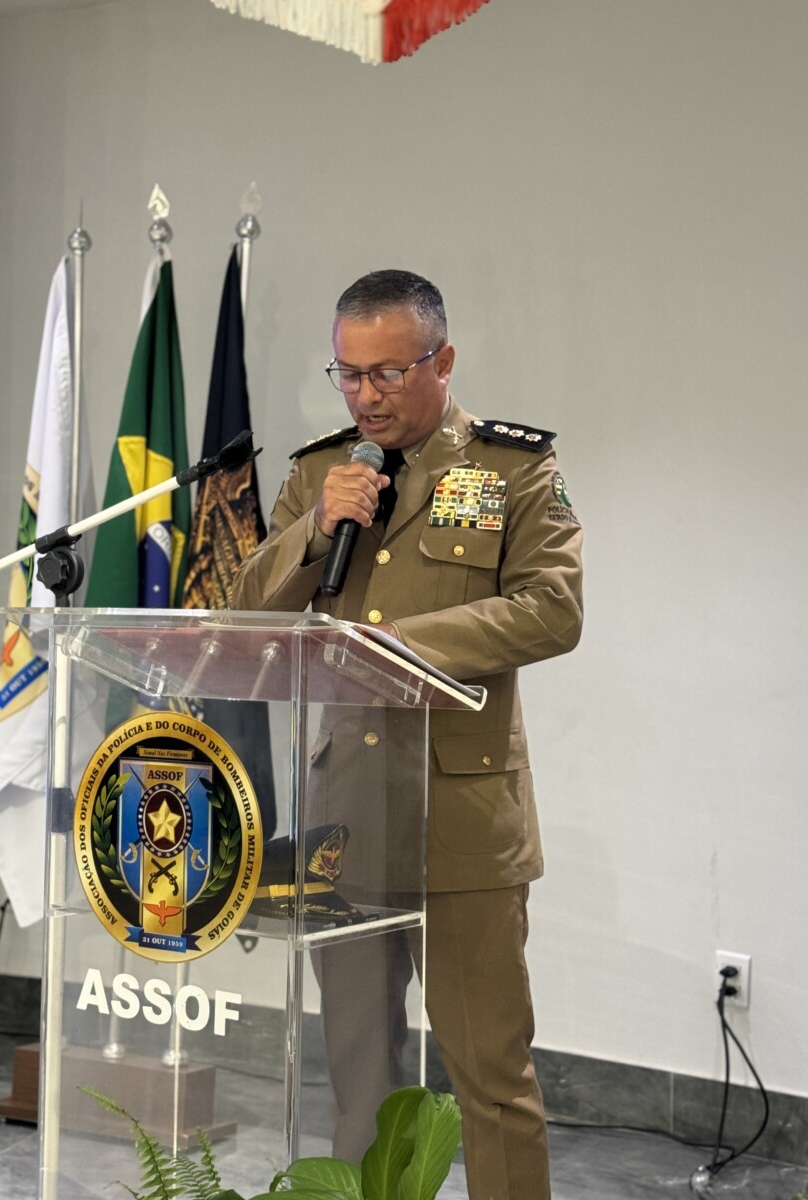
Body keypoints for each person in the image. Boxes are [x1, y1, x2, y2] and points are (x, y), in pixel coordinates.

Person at [232, 269, 583, 1200]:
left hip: (461, 817)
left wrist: (393, 649)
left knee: (490, 1076)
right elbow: (249, 611)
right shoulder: (320, 473)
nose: (366, 396)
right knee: (360, 1077)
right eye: (348, 375)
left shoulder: (511, 470)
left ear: (443, 360)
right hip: (347, 815)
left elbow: (553, 608)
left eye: (388, 373)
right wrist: (317, 528)